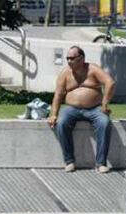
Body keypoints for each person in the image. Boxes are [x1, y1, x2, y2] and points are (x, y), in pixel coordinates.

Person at [48, 45, 116, 173]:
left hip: (95, 108)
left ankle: (101, 163)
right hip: (72, 109)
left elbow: (110, 82)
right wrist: (53, 114)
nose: (69, 61)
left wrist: (105, 103)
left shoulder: (93, 69)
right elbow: (58, 95)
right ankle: (69, 161)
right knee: (61, 123)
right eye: (67, 58)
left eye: (72, 58)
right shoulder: (65, 73)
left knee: (104, 123)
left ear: (81, 58)